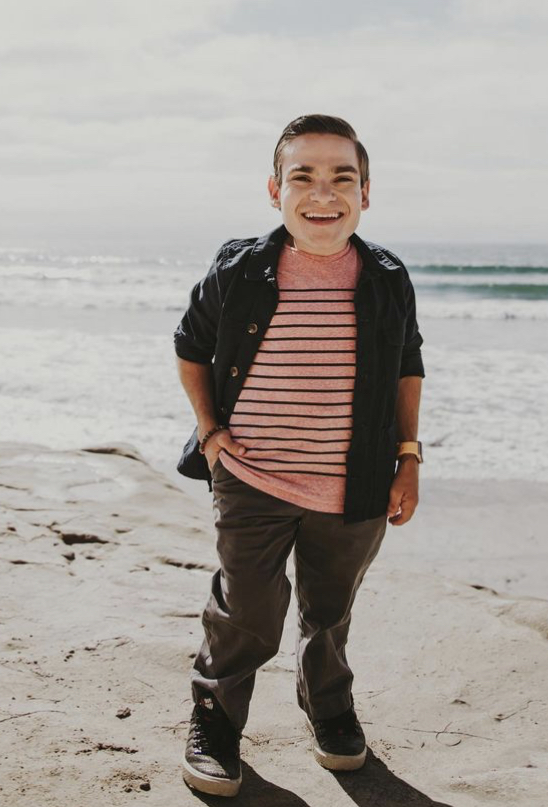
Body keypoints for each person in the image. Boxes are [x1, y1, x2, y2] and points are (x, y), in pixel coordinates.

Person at [174, 114, 424, 797]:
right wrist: (208, 429)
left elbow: (408, 365)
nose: (323, 192)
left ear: (365, 192)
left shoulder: (386, 276)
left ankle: (330, 710)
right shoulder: (239, 268)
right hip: (252, 475)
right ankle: (215, 722)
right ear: (274, 189)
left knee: (330, 609)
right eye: (303, 176)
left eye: (342, 176)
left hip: (356, 482)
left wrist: (409, 457)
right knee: (247, 608)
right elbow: (191, 345)